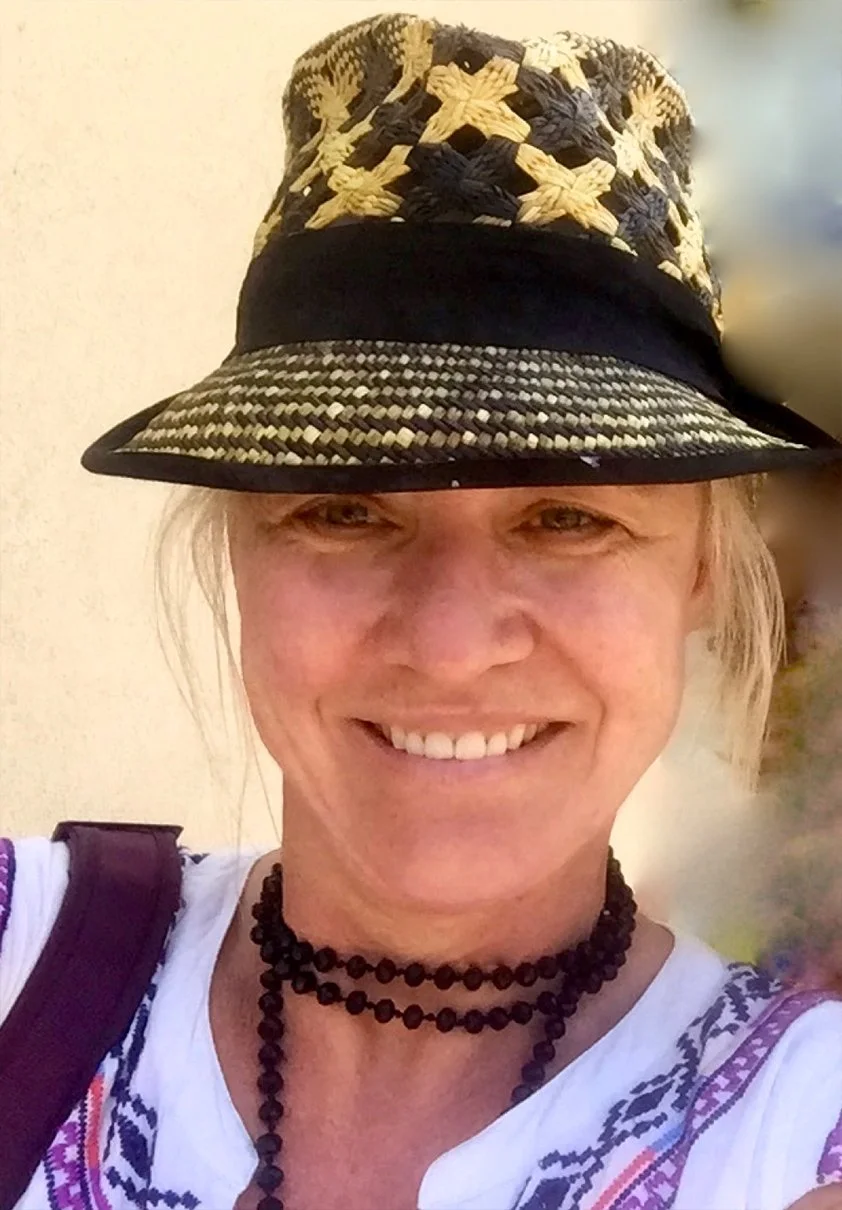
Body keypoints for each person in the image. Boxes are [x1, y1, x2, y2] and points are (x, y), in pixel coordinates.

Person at [1, 12, 841, 1210]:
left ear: (702, 568)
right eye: (344, 512)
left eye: (564, 518)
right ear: (238, 549)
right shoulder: (24, 959)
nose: (449, 644)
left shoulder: (801, 1134)